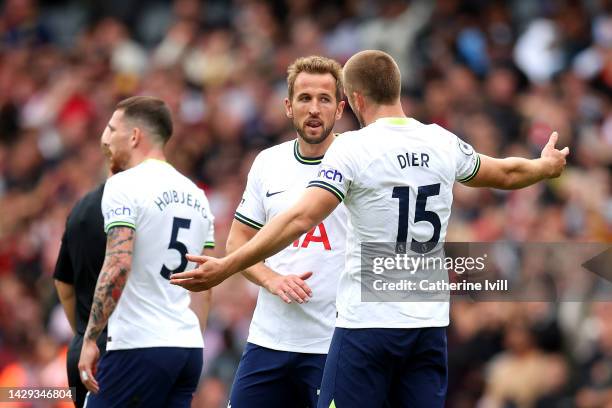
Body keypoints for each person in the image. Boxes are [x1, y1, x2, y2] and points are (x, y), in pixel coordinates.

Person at [170, 50, 569, 407]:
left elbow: (300, 217)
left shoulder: (353, 149)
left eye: (326, 99)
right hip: (427, 324)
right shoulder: (440, 141)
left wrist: (225, 268)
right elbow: (505, 171)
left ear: (353, 101)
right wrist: (545, 167)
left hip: (366, 327)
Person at [179, 55, 347, 407]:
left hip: (332, 346)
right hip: (268, 342)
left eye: (324, 99)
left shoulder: (358, 162)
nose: (314, 108)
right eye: (304, 98)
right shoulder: (268, 163)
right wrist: (271, 279)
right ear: (288, 107)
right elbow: (238, 241)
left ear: (340, 108)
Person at [78, 96, 215, 407]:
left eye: (112, 129)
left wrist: (89, 338)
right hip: (187, 349)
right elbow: (204, 286)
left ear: (135, 136)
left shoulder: (123, 185)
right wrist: (192, 341)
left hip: (138, 345)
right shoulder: (198, 195)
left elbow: (118, 264)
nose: (106, 138)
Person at [54, 180, 108, 408]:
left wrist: (82, 331)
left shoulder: (80, 209)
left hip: (81, 351)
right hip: (119, 349)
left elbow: (63, 283)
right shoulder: (137, 207)